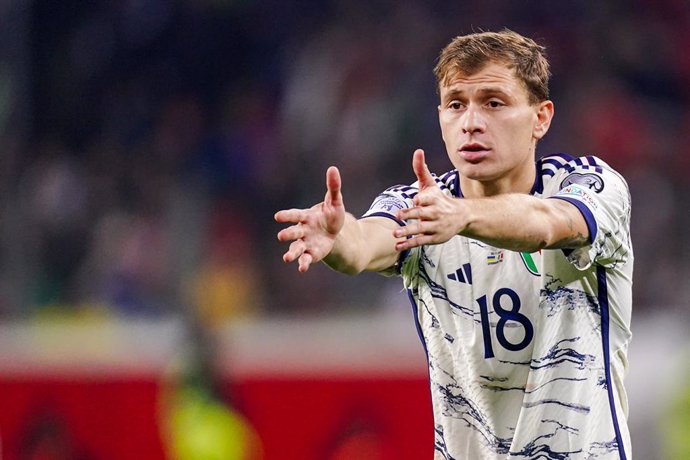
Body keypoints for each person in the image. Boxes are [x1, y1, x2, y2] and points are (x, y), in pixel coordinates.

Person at [275, 29, 633, 459]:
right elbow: (366, 244)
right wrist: (338, 238)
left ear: (541, 117)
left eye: (494, 103)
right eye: (456, 104)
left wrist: (464, 216)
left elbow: (549, 223)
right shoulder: (418, 205)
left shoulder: (591, 186)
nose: (472, 122)